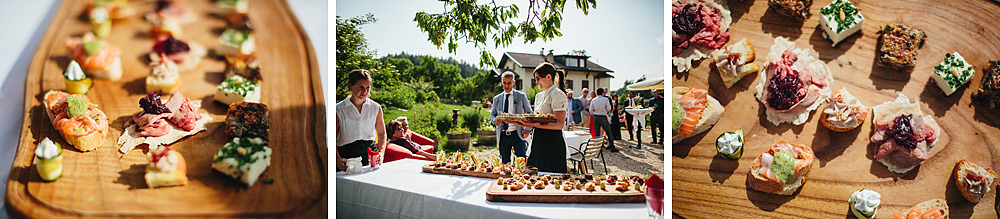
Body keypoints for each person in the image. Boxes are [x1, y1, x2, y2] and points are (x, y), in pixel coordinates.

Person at [509, 63, 568, 173]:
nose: (536, 82)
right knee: (534, 177)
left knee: (551, 179)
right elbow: (535, 121)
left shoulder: (557, 94)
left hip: (552, 142)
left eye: (538, 78)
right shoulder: (539, 96)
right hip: (538, 140)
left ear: (548, 77)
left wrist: (534, 125)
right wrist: (517, 123)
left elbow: (559, 124)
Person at [335, 69, 386, 171]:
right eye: (361, 87)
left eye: (368, 88)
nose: (365, 91)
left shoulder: (376, 107)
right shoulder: (338, 109)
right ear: (351, 86)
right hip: (346, 156)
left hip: (370, 154)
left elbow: (381, 134)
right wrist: (337, 159)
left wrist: (381, 153)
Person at [489, 72, 533, 164]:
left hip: (518, 134)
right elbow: (492, 114)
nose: (506, 85)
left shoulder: (521, 96)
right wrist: (494, 120)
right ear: (502, 82)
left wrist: (527, 129)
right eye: (504, 83)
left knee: (521, 163)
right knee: (505, 164)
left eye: (509, 83)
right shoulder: (497, 99)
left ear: (513, 82)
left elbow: (530, 113)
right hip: (503, 135)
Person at [590, 88, 620, 152]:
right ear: (602, 92)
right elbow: (609, 108)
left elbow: (590, 110)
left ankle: (598, 148)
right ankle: (612, 147)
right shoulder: (605, 99)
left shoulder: (593, 100)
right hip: (603, 116)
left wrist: (594, 115)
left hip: (596, 117)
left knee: (597, 133)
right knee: (609, 132)